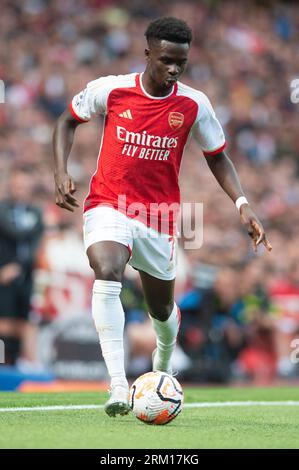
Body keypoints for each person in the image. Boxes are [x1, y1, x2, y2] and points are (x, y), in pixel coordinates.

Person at [53, 17, 272, 417]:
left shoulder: (193, 104)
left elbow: (217, 155)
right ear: (148, 53)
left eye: (181, 63)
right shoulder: (113, 89)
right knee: (107, 270)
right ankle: (118, 385)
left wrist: (243, 204)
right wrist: (61, 170)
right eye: (166, 60)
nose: (173, 69)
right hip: (109, 203)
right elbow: (67, 120)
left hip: (159, 217)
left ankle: (164, 361)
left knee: (162, 313)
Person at [0, 167, 44, 366]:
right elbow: (14, 233)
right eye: (18, 185)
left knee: (26, 320)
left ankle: (21, 362)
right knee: (4, 321)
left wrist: (18, 266)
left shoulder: (35, 212)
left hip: (26, 276)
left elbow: (35, 245)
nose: (21, 190)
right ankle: (4, 361)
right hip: (3, 274)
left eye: (25, 186)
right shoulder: (3, 209)